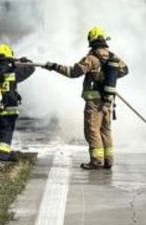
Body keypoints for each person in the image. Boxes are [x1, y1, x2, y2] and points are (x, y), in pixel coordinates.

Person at [45, 26, 129, 170]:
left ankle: (96, 161)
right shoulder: (112, 57)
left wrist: (54, 66)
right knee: (105, 130)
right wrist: (107, 77)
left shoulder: (92, 58)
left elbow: (73, 72)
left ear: (91, 40)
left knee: (92, 130)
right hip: (109, 101)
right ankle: (108, 160)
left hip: (94, 102)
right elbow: (124, 70)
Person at [0, 43, 38, 162]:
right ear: (10, 57)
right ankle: (2, 158)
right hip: (9, 111)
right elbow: (31, 68)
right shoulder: (13, 73)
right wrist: (24, 61)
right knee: (6, 134)